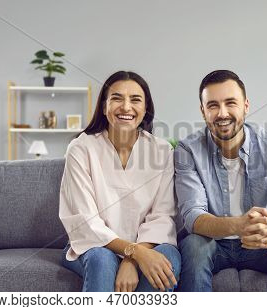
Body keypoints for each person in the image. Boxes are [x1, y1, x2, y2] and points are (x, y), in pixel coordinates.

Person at [175, 70, 267, 292]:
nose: (222, 113)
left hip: (261, 246)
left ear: (246, 105)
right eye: (212, 105)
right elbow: (194, 217)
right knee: (193, 246)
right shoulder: (188, 149)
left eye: (231, 103)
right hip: (212, 243)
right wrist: (241, 225)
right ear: (203, 111)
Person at [59, 71, 180, 292]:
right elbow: (86, 221)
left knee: (167, 256)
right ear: (104, 107)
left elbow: (162, 216)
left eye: (135, 100)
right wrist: (135, 253)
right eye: (116, 98)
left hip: (145, 243)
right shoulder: (81, 148)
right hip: (93, 246)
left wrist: (133, 258)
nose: (126, 107)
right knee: (102, 260)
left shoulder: (162, 151)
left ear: (145, 110)